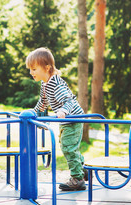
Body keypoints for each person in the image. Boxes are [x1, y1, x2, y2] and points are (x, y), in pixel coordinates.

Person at [26, 47, 87, 191]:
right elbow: (43, 102)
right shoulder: (45, 83)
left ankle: (78, 179)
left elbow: (69, 101)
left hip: (73, 119)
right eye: (30, 69)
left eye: (34, 69)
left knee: (68, 147)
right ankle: (84, 169)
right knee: (68, 146)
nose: (31, 72)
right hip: (67, 120)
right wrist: (33, 113)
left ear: (47, 68)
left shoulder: (56, 84)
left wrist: (63, 110)